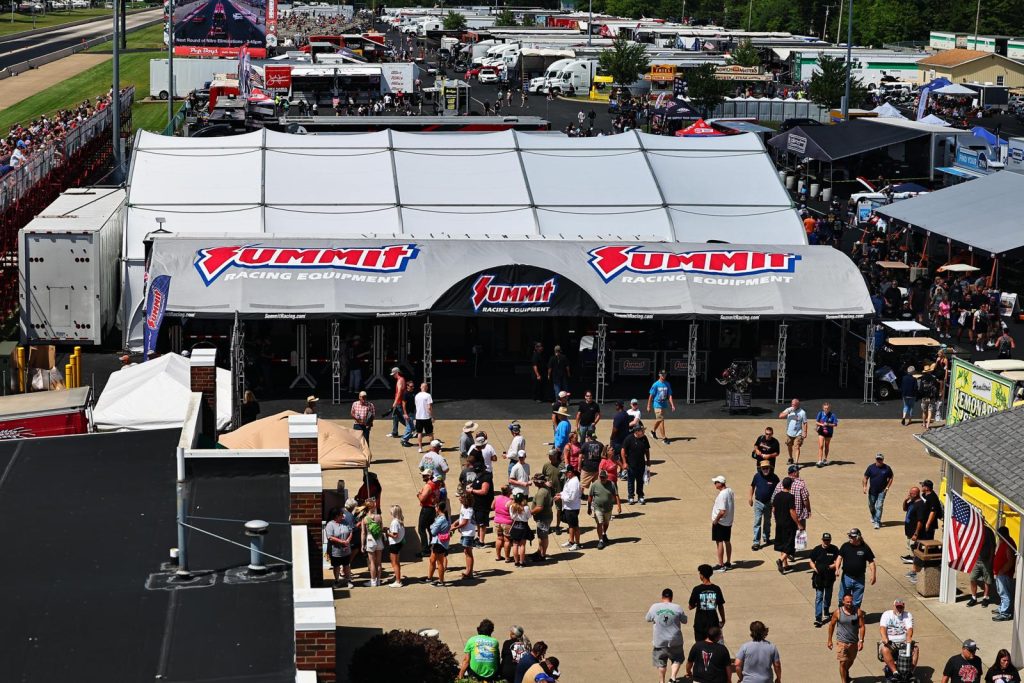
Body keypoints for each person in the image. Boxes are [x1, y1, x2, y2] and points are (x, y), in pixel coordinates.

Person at [646, 588, 687, 683]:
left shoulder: (654, 607)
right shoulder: (677, 607)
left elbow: (648, 618)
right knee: (677, 659)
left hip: (659, 641)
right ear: (671, 598)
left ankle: (662, 681)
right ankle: (672, 677)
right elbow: (684, 621)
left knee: (661, 663)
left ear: (662, 597)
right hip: (675, 641)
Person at [827, 594, 865, 683]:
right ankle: (844, 681)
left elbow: (862, 626)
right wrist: (829, 640)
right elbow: (831, 625)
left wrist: (861, 640)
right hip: (842, 642)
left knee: (851, 660)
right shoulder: (838, 612)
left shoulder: (858, 612)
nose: (849, 603)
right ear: (843, 602)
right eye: (847, 602)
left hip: (853, 642)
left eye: (851, 601)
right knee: (843, 662)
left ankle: (845, 672)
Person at [836, 528, 876, 610]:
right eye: (849, 536)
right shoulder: (845, 546)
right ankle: (842, 616)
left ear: (858, 537)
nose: (850, 538)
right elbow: (839, 558)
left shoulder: (865, 548)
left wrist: (873, 575)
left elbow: (871, 562)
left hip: (859, 579)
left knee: (857, 601)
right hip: (847, 577)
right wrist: (837, 568)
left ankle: (854, 618)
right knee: (842, 599)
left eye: (852, 536)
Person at [879, 598, 918, 677]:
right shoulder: (887, 614)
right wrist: (884, 637)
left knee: (915, 649)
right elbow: (882, 628)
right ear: (894, 606)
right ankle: (895, 672)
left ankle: (910, 671)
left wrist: (909, 637)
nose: (899, 609)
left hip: (903, 642)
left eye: (901, 607)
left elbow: (909, 629)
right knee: (884, 649)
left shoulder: (907, 615)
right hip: (890, 643)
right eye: (897, 607)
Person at [688, 564, 726, 643]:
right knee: (714, 645)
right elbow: (720, 606)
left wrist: (698, 603)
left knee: (700, 646)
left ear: (702, 575)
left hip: (700, 624)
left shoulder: (697, 589)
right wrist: (723, 619)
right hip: (713, 623)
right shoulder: (716, 589)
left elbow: (690, 606)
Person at [465, 452, 494, 548]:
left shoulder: (486, 477)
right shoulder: (479, 476)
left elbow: (484, 491)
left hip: (484, 504)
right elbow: (476, 484)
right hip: (477, 503)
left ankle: (481, 542)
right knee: (478, 522)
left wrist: (472, 490)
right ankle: (478, 538)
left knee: (482, 524)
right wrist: (471, 486)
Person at [772, 476, 800, 574]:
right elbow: (792, 511)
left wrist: (777, 519)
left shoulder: (777, 495)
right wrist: (798, 523)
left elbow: (774, 509)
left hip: (779, 524)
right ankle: (781, 560)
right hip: (789, 525)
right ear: (790, 486)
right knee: (790, 544)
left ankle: (785, 565)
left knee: (783, 544)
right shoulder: (790, 497)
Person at [811, 532, 839, 626]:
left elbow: (838, 561)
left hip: (829, 577)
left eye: (828, 540)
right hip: (819, 578)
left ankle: (826, 610)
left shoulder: (834, 549)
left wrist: (832, 567)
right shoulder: (817, 549)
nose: (826, 542)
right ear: (822, 540)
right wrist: (815, 568)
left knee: (828, 595)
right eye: (825, 540)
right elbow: (811, 560)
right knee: (819, 597)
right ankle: (818, 618)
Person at [749, 461, 779, 551]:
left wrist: (776, 504)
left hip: (769, 503)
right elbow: (752, 486)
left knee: (767, 522)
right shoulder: (757, 476)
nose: (765, 469)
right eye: (763, 468)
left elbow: (779, 490)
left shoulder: (774, 477)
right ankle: (756, 542)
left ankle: (766, 537)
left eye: (767, 468)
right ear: (760, 468)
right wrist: (750, 498)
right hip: (758, 502)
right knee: (757, 522)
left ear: (770, 468)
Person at [589, 468, 620, 549]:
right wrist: (589, 507)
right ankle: (600, 541)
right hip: (597, 508)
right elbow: (590, 496)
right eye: (601, 477)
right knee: (599, 523)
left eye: (603, 477)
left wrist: (619, 506)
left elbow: (616, 495)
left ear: (607, 477)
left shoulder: (611, 484)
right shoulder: (595, 484)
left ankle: (604, 533)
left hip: (608, 508)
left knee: (606, 523)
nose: (602, 479)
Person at [968, 523, 997, 608]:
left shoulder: (988, 532)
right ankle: (973, 597)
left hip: (986, 560)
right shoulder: (974, 531)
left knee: (987, 580)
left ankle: (985, 598)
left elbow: (992, 547)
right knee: (972, 578)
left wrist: (991, 559)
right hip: (976, 560)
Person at [863, 453, 895, 530]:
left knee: (879, 506)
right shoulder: (871, 468)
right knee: (871, 505)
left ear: (883, 460)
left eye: (880, 459)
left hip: (882, 491)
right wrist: (864, 486)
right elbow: (865, 477)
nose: (879, 461)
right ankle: (873, 516)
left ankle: (877, 521)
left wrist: (887, 488)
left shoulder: (887, 468)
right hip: (872, 490)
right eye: (877, 459)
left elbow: (891, 478)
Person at [325, 506, 354, 588]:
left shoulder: (345, 522)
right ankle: (337, 581)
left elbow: (350, 531)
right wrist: (342, 542)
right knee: (336, 566)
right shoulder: (330, 525)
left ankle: (348, 580)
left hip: (346, 549)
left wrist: (348, 540)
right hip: (336, 551)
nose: (343, 516)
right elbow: (330, 537)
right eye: (341, 515)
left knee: (346, 565)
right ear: (336, 516)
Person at [622, 424, 651, 505]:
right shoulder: (629, 439)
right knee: (631, 481)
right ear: (637, 431)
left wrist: (648, 460)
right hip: (631, 465)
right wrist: (624, 462)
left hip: (641, 464)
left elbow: (647, 450)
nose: (644, 432)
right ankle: (631, 497)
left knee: (640, 481)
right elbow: (623, 450)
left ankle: (640, 496)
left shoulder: (644, 438)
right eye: (642, 430)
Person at [710, 475, 735, 572]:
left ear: (720, 484)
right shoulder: (729, 491)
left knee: (719, 542)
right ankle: (728, 562)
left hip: (721, 522)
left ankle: (721, 565)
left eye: (716, 482)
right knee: (727, 541)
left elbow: (722, 511)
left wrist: (716, 520)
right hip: (728, 522)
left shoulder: (722, 495)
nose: (714, 484)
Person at [992, 525, 1016, 621]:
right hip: (1000, 573)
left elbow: (1010, 561)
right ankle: (1002, 608)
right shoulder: (1004, 542)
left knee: (1005, 594)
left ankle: (1005, 613)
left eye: (999, 535)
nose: (998, 537)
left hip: (1004, 574)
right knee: (1001, 592)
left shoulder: (1009, 544)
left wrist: (1002, 571)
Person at [359, 497, 385, 586]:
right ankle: (378, 580)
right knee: (379, 562)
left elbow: (363, 533)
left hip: (370, 540)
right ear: (373, 507)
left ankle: (373, 581)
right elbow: (381, 530)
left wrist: (362, 544)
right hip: (379, 540)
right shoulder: (379, 517)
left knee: (372, 562)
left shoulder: (365, 519)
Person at [416, 469, 442, 557]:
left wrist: (418, 495)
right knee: (430, 529)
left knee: (421, 529)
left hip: (426, 509)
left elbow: (422, 499)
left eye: (424, 475)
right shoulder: (436, 485)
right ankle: (432, 546)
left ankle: (425, 550)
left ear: (429, 476)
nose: (422, 477)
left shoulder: (428, 486)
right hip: (432, 509)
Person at [556, 466, 582, 551]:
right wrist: (560, 494)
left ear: (570, 472)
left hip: (573, 508)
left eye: (565, 472)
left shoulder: (574, 482)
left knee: (575, 526)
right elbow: (566, 491)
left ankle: (577, 544)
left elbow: (572, 497)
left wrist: (561, 497)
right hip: (568, 507)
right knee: (571, 525)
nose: (564, 474)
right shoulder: (569, 480)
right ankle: (571, 541)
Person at [453, 491, 478, 581]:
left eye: (461, 498)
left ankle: (469, 572)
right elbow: (460, 518)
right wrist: (454, 523)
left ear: (465, 500)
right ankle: (468, 570)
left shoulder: (469, 510)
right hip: (464, 533)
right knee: (466, 552)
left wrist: (454, 528)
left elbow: (464, 522)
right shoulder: (463, 507)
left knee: (468, 553)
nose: (459, 499)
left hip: (468, 533)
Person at [530, 472, 554, 561]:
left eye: (535, 481)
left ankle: (542, 555)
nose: (534, 482)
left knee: (543, 537)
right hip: (544, 517)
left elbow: (539, 507)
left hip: (543, 518)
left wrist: (529, 513)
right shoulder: (545, 488)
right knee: (541, 536)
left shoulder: (541, 492)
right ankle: (539, 552)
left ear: (539, 482)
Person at [647, 370, 675, 444]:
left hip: (664, 405)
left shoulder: (667, 384)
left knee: (660, 420)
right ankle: (664, 438)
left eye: (665, 374)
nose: (663, 376)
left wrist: (672, 405)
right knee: (661, 420)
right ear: (659, 375)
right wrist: (648, 406)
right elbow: (651, 396)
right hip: (657, 405)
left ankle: (653, 431)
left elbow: (669, 395)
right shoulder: (655, 384)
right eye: (662, 374)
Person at [426, 500, 451, 587]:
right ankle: (429, 578)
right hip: (441, 542)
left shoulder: (441, 519)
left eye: (436, 507)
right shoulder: (446, 517)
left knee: (440, 562)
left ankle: (441, 581)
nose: (435, 508)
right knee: (432, 560)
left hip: (439, 543)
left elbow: (433, 531)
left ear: (438, 508)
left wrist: (431, 526)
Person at [778, 399, 807, 465]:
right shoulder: (789, 409)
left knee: (797, 446)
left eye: (794, 405)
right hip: (789, 432)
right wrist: (788, 412)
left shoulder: (802, 412)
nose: (793, 406)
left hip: (798, 433)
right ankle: (791, 458)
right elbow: (780, 416)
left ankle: (796, 462)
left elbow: (805, 423)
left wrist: (805, 432)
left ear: (798, 405)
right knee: (789, 446)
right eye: (792, 404)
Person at [508, 492, 532, 567]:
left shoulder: (512, 507)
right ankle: (522, 562)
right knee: (522, 545)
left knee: (515, 545)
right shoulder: (526, 507)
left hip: (515, 526)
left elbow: (512, 517)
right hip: (523, 526)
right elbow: (529, 516)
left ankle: (516, 562)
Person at [493, 485, 514, 563]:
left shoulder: (497, 498)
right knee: (507, 540)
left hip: (497, 521)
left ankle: (498, 556)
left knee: (499, 538)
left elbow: (492, 507)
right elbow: (513, 512)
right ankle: (507, 558)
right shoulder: (510, 501)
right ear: (509, 492)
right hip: (507, 522)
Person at [385, 504, 405, 587]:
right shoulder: (399, 521)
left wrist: (386, 533)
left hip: (394, 544)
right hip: (399, 543)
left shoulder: (394, 522)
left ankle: (398, 581)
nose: (390, 512)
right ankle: (398, 577)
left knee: (394, 563)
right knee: (397, 562)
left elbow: (395, 535)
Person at [814, 402, 839, 467]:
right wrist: (821, 425)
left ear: (829, 408)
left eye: (827, 408)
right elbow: (816, 422)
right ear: (823, 408)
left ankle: (825, 459)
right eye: (825, 408)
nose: (826, 410)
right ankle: (820, 460)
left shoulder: (833, 415)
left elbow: (835, 424)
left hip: (829, 432)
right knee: (821, 446)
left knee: (826, 446)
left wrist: (828, 424)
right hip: (821, 431)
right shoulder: (820, 413)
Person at [414, 382, 434, 453]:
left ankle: (420, 448)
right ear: (427, 388)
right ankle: (432, 448)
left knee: (419, 433)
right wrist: (432, 416)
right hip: (426, 417)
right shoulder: (428, 395)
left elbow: (416, 407)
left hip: (418, 417)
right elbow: (429, 407)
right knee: (430, 433)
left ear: (420, 387)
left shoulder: (416, 396)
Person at [387, 367, 405, 437]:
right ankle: (394, 432)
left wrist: (395, 402)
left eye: (394, 374)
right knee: (395, 416)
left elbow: (399, 392)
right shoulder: (401, 379)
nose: (393, 376)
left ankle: (412, 429)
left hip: (399, 402)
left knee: (401, 418)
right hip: (399, 401)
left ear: (397, 373)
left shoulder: (400, 380)